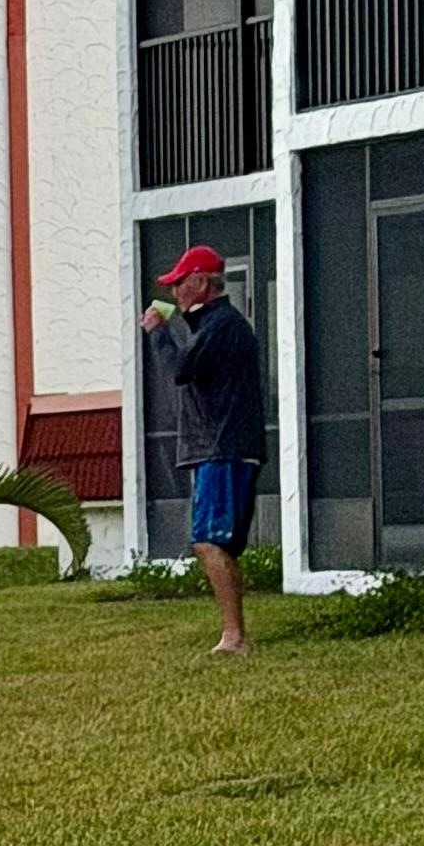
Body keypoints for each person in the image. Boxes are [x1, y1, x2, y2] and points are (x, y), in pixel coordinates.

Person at [141, 246, 266, 656]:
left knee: (208, 541)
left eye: (179, 282)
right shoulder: (214, 325)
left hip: (223, 447)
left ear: (200, 282)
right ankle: (234, 634)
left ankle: (234, 637)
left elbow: (180, 370)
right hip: (221, 447)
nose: (174, 290)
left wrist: (159, 331)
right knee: (218, 543)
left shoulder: (223, 326)